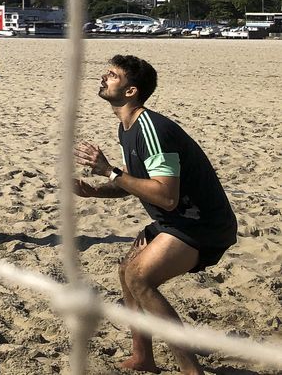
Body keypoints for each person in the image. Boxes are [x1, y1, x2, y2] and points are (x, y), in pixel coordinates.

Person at [73, 54, 237, 375]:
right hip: (174, 220)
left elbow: (166, 195)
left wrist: (109, 171)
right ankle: (142, 357)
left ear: (131, 91)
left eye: (112, 75)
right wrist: (95, 189)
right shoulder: (127, 128)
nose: (103, 78)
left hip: (201, 224)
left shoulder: (151, 129)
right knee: (126, 272)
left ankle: (191, 370)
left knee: (139, 276)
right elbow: (135, 184)